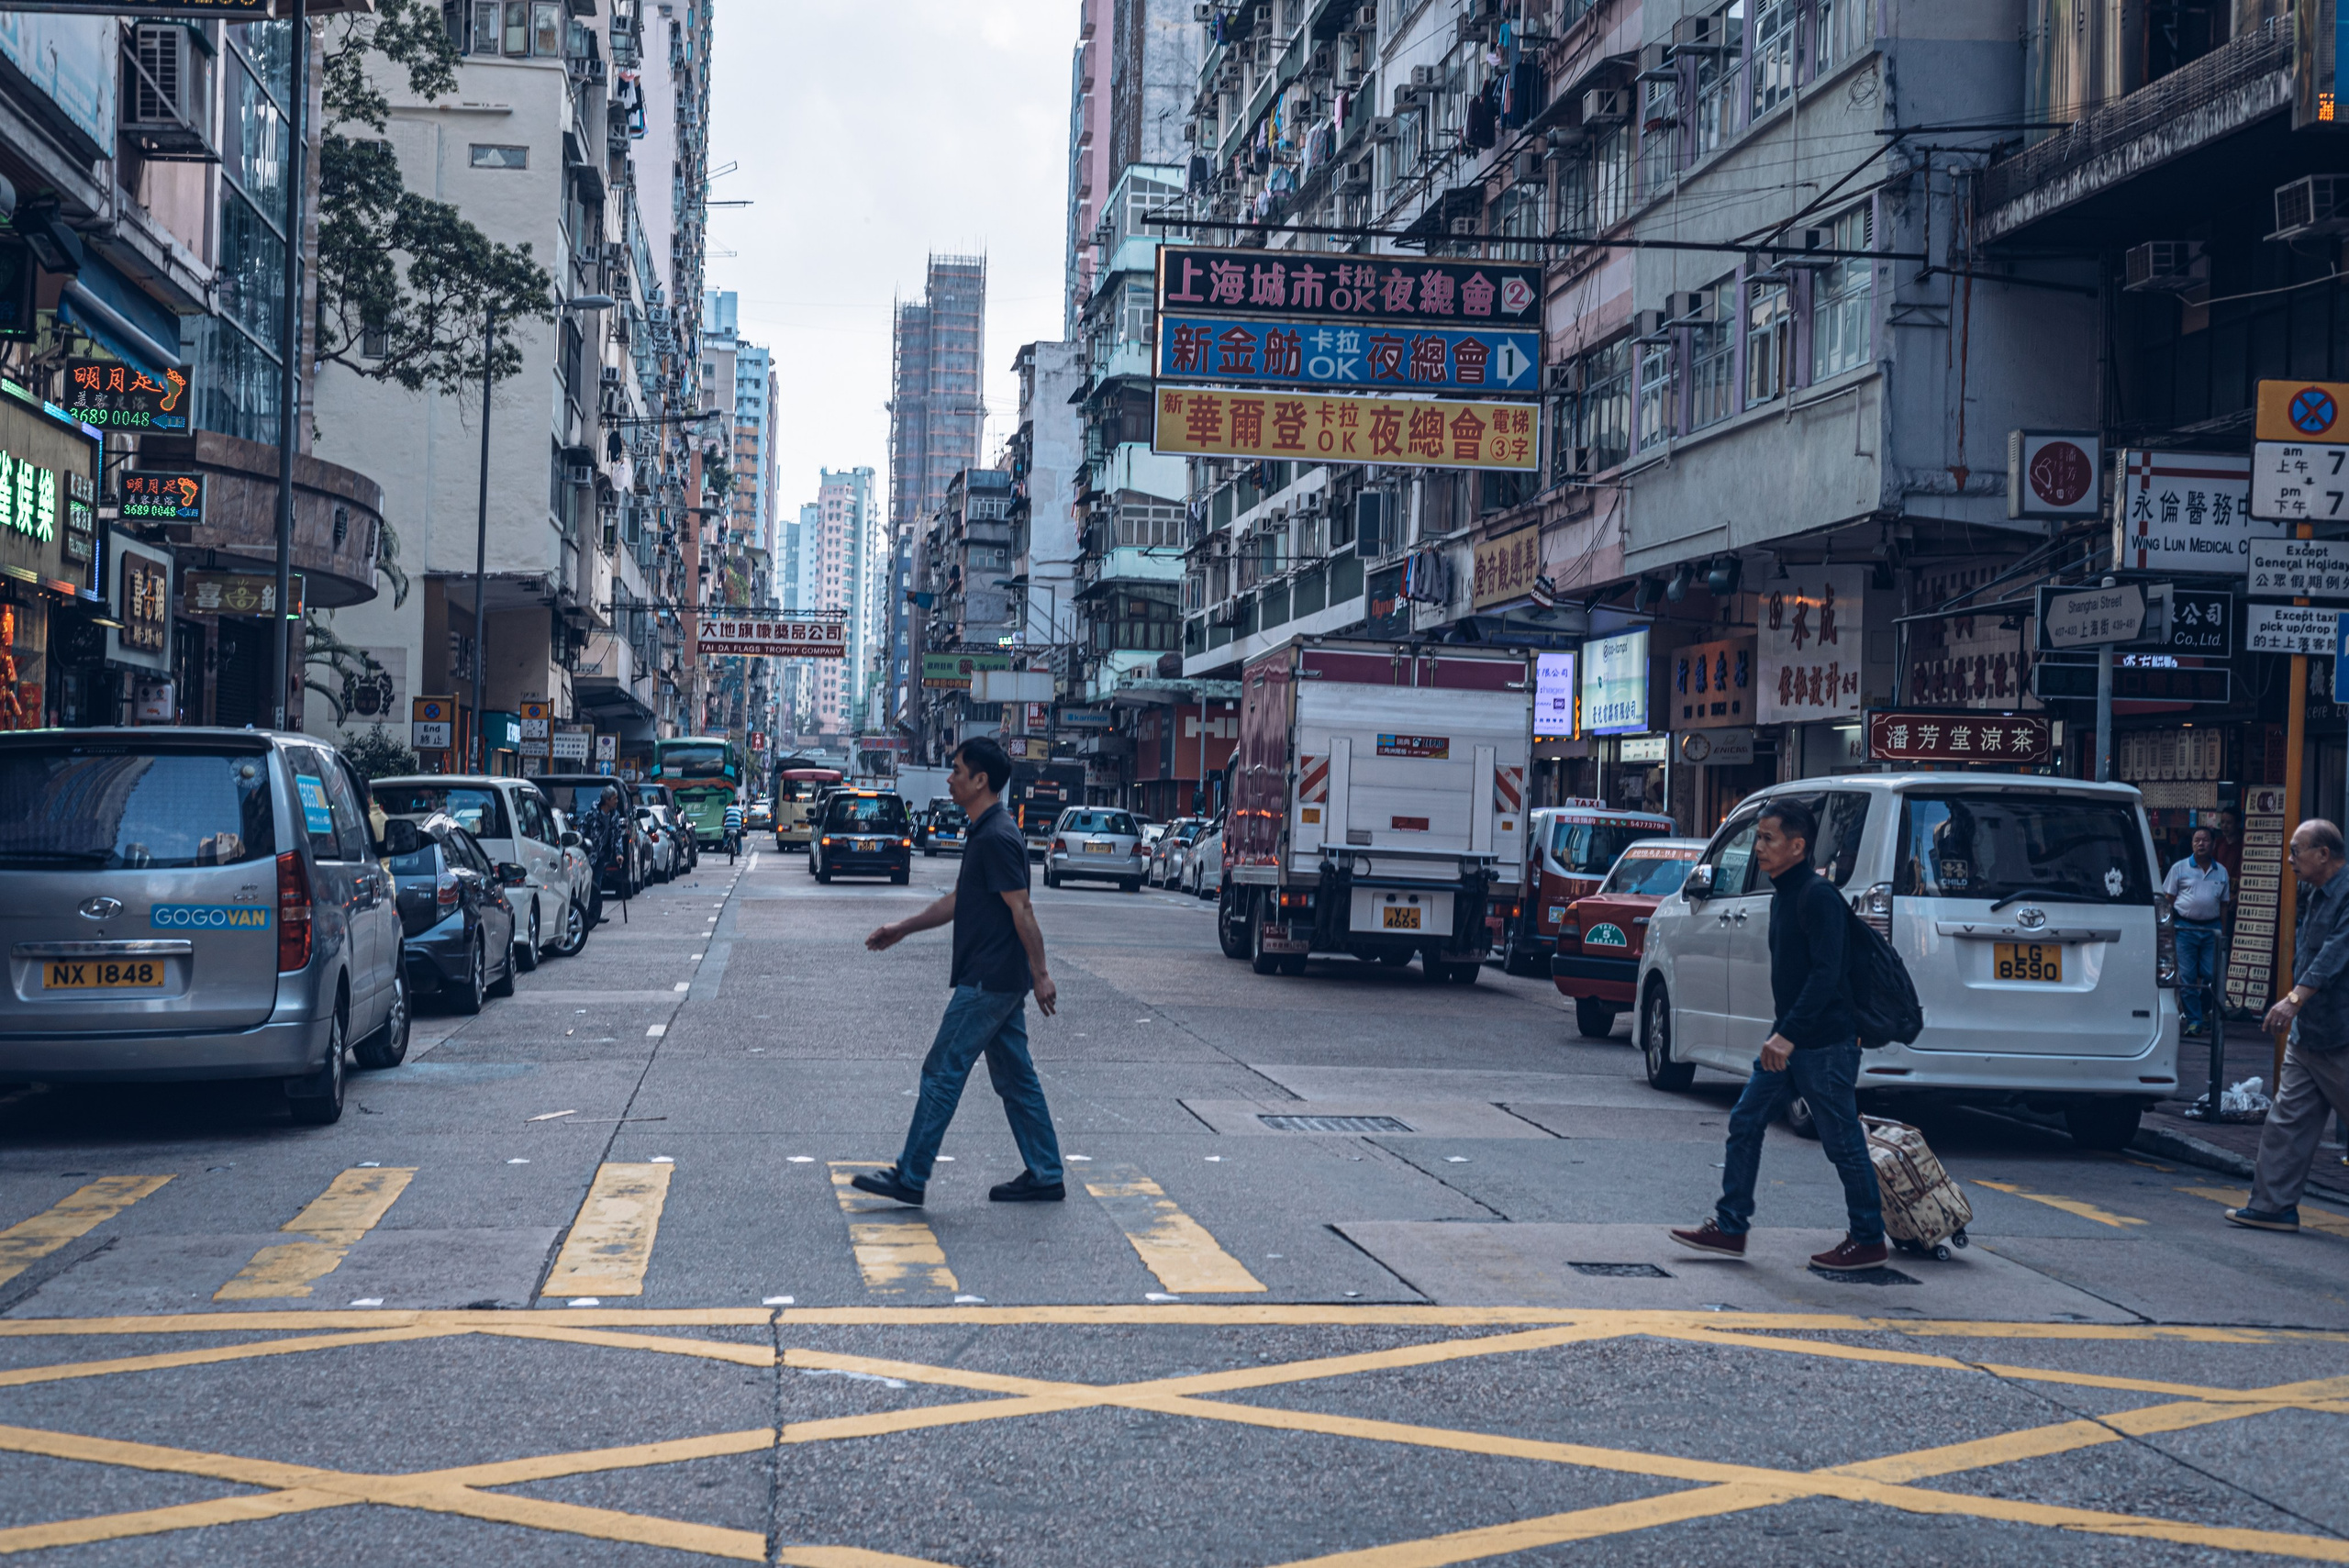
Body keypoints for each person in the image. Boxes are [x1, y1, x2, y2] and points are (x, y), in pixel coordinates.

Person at [1669, 797, 1887, 1272]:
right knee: (1745, 1120)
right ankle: (1731, 1228)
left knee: (1842, 1141)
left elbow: (1827, 974)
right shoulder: (1785, 894)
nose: (1759, 848)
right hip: (1789, 1040)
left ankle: (1869, 1238)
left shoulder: (1817, 896)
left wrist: (1787, 1035)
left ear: (1797, 845)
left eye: (1768, 839)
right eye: (1757, 838)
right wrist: (1783, 1034)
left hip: (1823, 1042)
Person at [850, 737, 1065, 1207]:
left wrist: (1042, 972)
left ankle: (911, 1174)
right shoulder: (987, 831)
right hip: (997, 978)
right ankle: (1046, 1172)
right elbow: (958, 902)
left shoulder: (998, 836)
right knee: (1015, 1077)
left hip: (988, 979)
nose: (949, 779)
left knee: (942, 1069)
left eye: (957, 771)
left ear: (980, 780)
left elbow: (1022, 909)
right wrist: (903, 928)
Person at [2228, 819, 2349, 1232]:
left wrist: (2293, 999)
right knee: (2286, 1123)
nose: (2290, 859)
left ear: (2324, 854)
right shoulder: (2309, 891)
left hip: (2342, 1035)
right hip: (2309, 1034)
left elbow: (2334, 955)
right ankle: (2273, 1206)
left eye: (2297, 850)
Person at [2164, 826, 2231, 1039]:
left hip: (2212, 930)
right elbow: (2168, 902)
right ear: (2192, 844)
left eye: (2205, 840)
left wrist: (2223, 931)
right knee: (2188, 977)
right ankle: (2194, 1021)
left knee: (2213, 975)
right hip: (2185, 928)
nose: (2201, 844)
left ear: (2213, 844)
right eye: (2196, 840)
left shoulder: (2221, 871)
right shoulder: (2179, 868)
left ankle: (2202, 1012)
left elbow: (2224, 905)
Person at [722, 795, 744, 862]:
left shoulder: (728, 808)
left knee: (725, 837)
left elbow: (724, 817)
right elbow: (742, 818)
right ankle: (739, 851)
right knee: (738, 839)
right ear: (738, 804)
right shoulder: (740, 809)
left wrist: (723, 823)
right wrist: (742, 825)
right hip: (737, 827)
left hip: (728, 826)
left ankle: (725, 844)